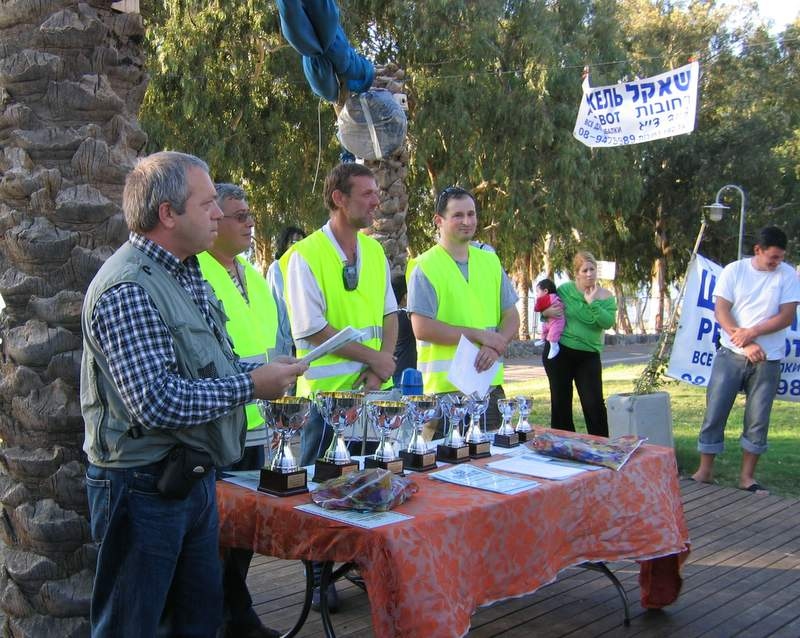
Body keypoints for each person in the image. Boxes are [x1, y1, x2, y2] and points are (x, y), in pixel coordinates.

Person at [80, 151, 307, 638]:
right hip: (142, 486)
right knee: (131, 627)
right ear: (168, 214)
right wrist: (251, 385)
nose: (219, 215)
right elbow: (156, 400)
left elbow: (209, 366)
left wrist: (263, 370)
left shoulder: (187, 272)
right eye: (207, 204)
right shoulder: (127, 288)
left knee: (199, 623)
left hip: (191, 479)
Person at [283, 162, 398, 611]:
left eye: (376, 193)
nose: (375, 200)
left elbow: (390, 314)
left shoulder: (374, 252)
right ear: (338, 198)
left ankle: (360, 567)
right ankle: (318, 574)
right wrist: (376, 360)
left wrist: (381, 370)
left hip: (370, 394)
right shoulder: (306, 256)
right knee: (321, 490)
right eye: (367, 193)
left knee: (368, 483)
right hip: (325, 403)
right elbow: (311, 330)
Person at [196, 183, 285, 638]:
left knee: (243, 529)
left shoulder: (253, 274)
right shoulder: (197, 275)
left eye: (250, 214)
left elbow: (271, 341)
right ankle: (220, 618)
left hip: (261, 423)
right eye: (239, 215)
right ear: (214, 221)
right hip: (222, 423)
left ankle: (237, 613)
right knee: (215, 533)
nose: (250, 222)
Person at [691, 226, 800, 494]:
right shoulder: (734, 271)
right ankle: (704, 471)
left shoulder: (787, 275)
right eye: (772, 257)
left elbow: (786, 316)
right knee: (715, 411)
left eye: (780, 258)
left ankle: (747, 478)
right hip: (731, 354)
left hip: (768, 359)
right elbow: (721, 310)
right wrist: (745, 341)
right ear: (758, 251)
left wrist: (753, 332)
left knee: (757, 419)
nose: (777, 263)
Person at [406, 185, 519, 433]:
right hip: (444, 393)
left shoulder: (490, 261)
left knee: (490, 465)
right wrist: (480, 336)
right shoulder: (424, 266)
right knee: (441, 467)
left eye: (471, 214)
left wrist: (494, 344)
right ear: (439, 220)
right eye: (458, 215)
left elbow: (511, 315)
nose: (467, 221)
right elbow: (422, 328)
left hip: (488, 386)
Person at [542, 250, 616, 437]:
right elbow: (546, 307)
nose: (589, 274)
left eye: (592, 269)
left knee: (593, 403)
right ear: (577, 273)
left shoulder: (606, 296)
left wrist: (592, 303)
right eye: (585, 270)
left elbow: (606, 322)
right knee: (561, 402)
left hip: (588, 355)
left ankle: (601, 446)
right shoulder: (565, 290)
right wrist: (546, 312)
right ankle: (563, 446)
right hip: (561, 353)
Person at [267, 225, 307, 358]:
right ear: (284, 244)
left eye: (301, 242)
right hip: (285, 344)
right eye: (293, 242)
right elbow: (280, 308)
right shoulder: (277, 268)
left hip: (304, 340)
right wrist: (286, 346)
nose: (297, 246)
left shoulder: (305, 269)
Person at [391, 273, 417, 386]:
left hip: (396, 373)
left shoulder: (393, 316)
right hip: (405, 377)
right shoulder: (405, 317)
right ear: (406, 296)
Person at [533, 278, 565, 359]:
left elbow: (537, 308)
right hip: (550, 321)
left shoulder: (548, 298)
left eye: (538, 291)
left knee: (552, 335)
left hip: (557, 322)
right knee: (544, 329)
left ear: (545, 291)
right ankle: (543, 339)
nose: (536, 294)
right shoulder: (552, 297)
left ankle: (554, 347)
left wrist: (538, 306)